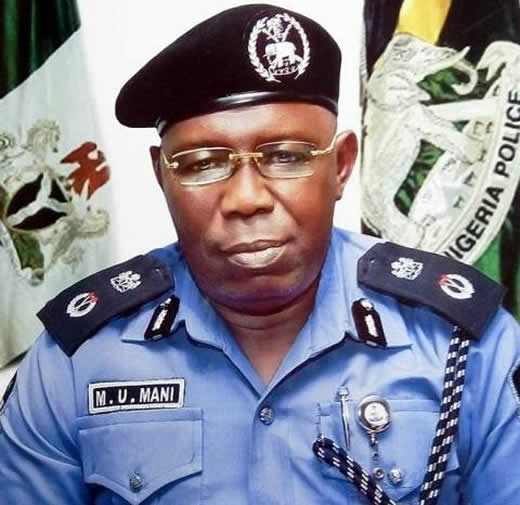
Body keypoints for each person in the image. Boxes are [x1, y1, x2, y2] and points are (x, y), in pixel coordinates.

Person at [1, 4, 520, 505]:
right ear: (162, 175)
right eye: (203, 163)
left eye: (286, 156)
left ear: (341, 166)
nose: (246, 199)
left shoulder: (462, 345)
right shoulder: (79, 357)